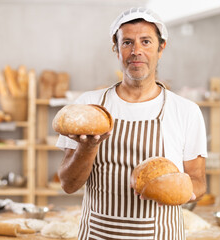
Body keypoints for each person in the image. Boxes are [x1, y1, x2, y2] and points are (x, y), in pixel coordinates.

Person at [56, 7, 207, 240]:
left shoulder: (186, 111)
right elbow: (68, 184)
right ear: (116, 49)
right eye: (127, 43)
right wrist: (87, 148)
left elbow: (197, 181)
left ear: (161, 48)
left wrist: (179, 191)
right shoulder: (89, 108)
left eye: (146, 41)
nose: (136, 51)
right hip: (97, 234)